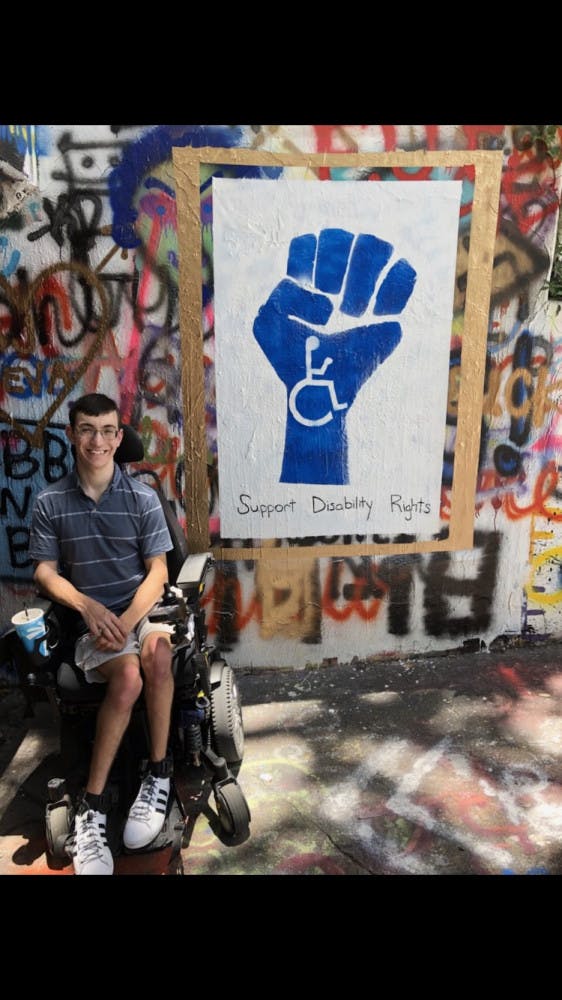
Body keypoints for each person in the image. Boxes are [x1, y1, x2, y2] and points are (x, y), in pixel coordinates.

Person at [29, 392, 175, 876]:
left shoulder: (143, 497)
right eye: (87, 429)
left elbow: (158, 573)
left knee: (157, 657)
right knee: (128, 677)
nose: (98, 440)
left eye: (107, 430)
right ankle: (91, 807)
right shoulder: (51, 501)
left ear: (119, 437)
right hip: (94, 617)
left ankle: (158, 774)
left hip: (140, 611)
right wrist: (87, 607)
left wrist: (129, 621)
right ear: (72, 435)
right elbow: (45, 573)